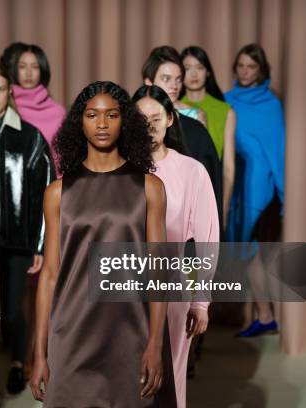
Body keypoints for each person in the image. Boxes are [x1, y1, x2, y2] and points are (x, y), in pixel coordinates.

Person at [31, 81, 176, 407]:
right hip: (71, 335)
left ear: (125, 121)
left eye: (111, 115)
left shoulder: (150, 188)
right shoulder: (57, 193)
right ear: (78, 123)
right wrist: (39, 352)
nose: (101, 124)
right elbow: (50, 275)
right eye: (92, 115)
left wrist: (155, 344)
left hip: (130, 334)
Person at [0, 64, 54, 398]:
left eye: (0, 89)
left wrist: (40, 242)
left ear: (9, 93)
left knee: (15, 310)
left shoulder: (29, 135)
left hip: (19, 240)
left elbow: (47, 188)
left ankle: (19, 362)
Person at [133, 85, 219, 408]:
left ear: (170, 119)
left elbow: (206, 240)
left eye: (157, 118)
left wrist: (200, 301)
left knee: (169, 381)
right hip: (123, 289)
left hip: (173, 292)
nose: (150, 126)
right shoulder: (120, 170)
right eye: (141, 119)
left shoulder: (192, 172)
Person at [225, 44, 285, 337]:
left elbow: (278, 151)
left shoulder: (270, 104)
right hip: (233, 185)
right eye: (241, 66)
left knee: (250, 252)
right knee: (244, 252)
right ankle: (265, 315)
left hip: (260, 189)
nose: (246, 72)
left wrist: (283, 194)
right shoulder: (227, 100)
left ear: (261, 70)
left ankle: (265, 315)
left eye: (252, 67)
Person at [142, 46, 223, 225]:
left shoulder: (195, 124)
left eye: (178, 79)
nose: (174, 86)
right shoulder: (132, 124)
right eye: (166, 79)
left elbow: (206, 175)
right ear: (148, 82)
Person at [181, 45, 236, 229]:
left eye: (199, 67)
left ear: (208, 72)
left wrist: (224, 207)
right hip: (180, 189)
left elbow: (228, 167)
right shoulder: (172, 108)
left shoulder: (225, 111)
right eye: (187, 68)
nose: (194, 74)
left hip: (212, 188)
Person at [1, 43, 66, 169]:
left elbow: (62, 157)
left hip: (53, 183)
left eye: (35, 67)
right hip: (17, 184)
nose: (28, 73)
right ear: (15, 70)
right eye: (22, 67)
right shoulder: (7, 109)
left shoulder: (58, 112)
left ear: (42, 70)